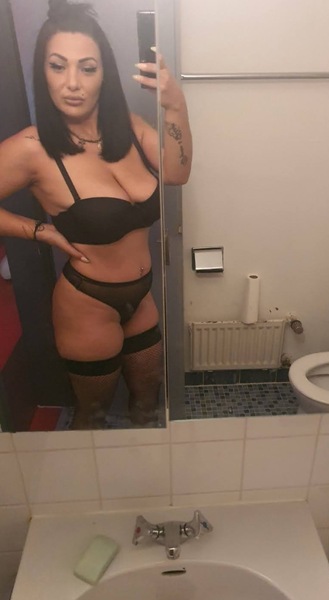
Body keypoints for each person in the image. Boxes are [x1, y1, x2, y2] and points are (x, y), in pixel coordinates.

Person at [0, 0, 192, 429]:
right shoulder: (32, 148)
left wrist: (175, 105)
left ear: (104, 74)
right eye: (57, 66)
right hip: (87, 304)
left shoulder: (128, 127)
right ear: (42, 72)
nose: (73, 83)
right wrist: (38, 231)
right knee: (92, 414)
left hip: (141, 298)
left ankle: (142, 472)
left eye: (87, 68)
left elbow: (177, 173)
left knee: (147, 401)